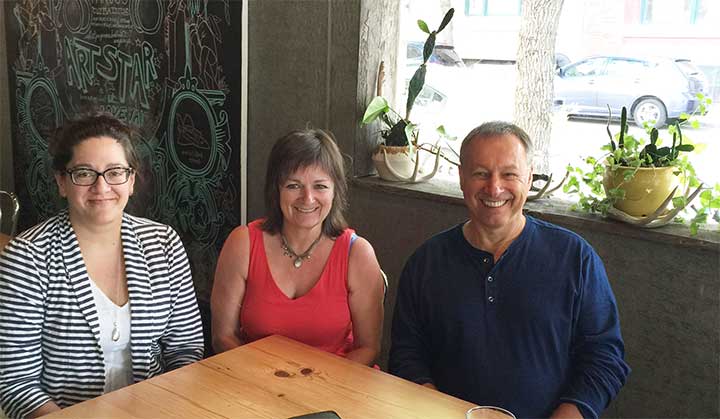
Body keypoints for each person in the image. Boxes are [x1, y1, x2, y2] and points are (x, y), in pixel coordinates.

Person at [388, 121, 629, 419]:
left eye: (509, 174)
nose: (494, 187)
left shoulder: (575, 258)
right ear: (462, 178)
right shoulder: (426, 262)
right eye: (481, 173)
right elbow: (406, 355)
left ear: (529, 179)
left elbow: (604, 358)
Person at [0, 113, 204, 419]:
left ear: (131, 180)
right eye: (84, 173)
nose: (101, 186)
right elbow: (16, 383)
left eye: (115, 172)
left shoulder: (163, 243)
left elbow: (185, 349)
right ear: (61, 182)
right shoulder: (28, 257)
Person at [211, 129, 384, 366]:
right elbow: (222, 337)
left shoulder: (358, 253)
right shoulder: (242, 243)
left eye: (320, 186)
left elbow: (369, 348)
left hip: (336, 386)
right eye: (294, 185)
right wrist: (266, 381)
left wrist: (312, 387)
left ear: (336, 191)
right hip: (253, 382)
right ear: (276, 189)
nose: (308, 198)